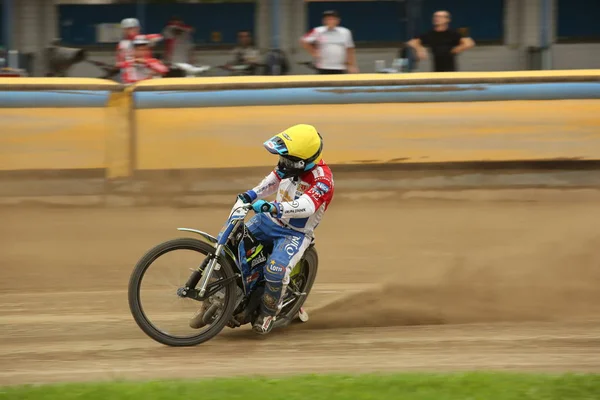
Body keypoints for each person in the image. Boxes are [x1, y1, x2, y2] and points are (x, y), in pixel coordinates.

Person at [236, 124, 334, 334]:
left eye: (287, 160)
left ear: (302, 162)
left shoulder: (323, 181)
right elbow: (273, 180)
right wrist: (251, 195)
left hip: (295, 234)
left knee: (275, 269)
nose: (282, 164)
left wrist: (274, 206)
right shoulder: (291, 165)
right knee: (234, 239)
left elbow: (307, 206)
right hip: (269, 220)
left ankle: (268, 313)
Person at [406, 10, 475, 72]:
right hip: (437, 71)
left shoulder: (453, 34)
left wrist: (457, 49)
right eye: (435, 16)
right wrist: (419, 49)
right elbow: (412, 42)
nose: (437, 18)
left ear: (447, 19)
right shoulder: (430, 34)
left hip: (451, 71)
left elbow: (469, 43)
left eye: (440, 17)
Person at [300, 10, 358, 74]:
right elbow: (303, 40)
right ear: (324, 21)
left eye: (333, 19)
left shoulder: (345, 32)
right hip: (322, 66)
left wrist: (351, 65)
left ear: (338, 20)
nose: (330, 21)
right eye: (328, 19)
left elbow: (349, 49)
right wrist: (314, 52)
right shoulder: (317, 31)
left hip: (340, 67)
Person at [116, 18, 163, 82]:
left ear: (138, 28)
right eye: (127, 28)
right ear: (124, 30)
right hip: (130, 76)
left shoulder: (143, 39)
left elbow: (159, 37)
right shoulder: (122, 44)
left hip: (146, 73)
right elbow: (119, 63)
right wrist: (131, 62)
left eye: (133, 28)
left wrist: (143, 39)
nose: (130, 30)